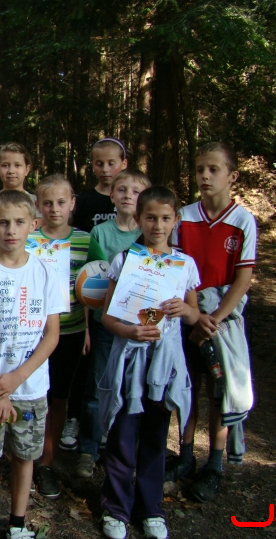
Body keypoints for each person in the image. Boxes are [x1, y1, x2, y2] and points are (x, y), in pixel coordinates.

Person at [0, 190, 66, 539]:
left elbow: (52, 335)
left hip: (30, 389)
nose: (11, 230)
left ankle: (17, 524)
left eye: (20, 222)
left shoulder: (46, 273)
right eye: (3, 223)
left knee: (25, 456)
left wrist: (17, 378)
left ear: (34, 224)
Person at [98, 186, 201, 539]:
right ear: (139, 219)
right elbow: (107, 317)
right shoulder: (125, 260)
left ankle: (151, 508)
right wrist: (129, 331)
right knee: (123, 435)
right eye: (151, 218)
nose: (158, 225)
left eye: (165, 218)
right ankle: (116, 507)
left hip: (163, 366)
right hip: (129, 363)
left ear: (176, 220)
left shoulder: (184, 264)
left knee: (156, 436)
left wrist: (184, 309)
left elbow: (194, 315)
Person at [169, 143, 257, 503]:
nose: (204, 176)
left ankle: (215, 465)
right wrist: (195, 316)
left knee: (220, 392)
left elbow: (243, 278)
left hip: (221, 321)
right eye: (199, 169)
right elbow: (177, 268)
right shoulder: (184, 216)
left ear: (232, 176)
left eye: (213, 169)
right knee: (187, 387)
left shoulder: (243, 220)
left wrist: (215, 319)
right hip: (189, 316)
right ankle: (185, 455)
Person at [75, 169, 151, 479]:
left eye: (136, 191)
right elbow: (90, 282)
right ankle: (88, 449)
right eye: (122, 190)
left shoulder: (150, 233)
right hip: (105, 324)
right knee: (97, 386)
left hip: (140, 327)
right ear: (111, 195)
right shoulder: (100, 233)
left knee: (135, 388)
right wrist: (87, 327)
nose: (128, 195)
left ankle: (122, 449)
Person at [63, 138, 129, 453]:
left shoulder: (133, 200)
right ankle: (75, 418)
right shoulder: (87, 201)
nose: (105, 169)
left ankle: (114, 428)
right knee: (85, 365)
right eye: (99, 163)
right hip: (89, 293)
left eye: (111, 163)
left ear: (123, 164)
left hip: (125, 303)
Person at [28, 175, 91, 499]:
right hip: (33, 333)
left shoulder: (85, 240)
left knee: (59, 398)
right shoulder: (29, 240)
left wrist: (88, 328)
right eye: (48, 203)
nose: (55, 209)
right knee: (32, 395)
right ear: (38, 206)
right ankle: (26, 456)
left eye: (61, 202)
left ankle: (47, 463)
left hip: (71, 330)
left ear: (72, 204)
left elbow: (93, 289)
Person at [0, 142, 40, 257]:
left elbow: (39, 237)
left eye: (17, 165)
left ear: (27, 169)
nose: (11, 171)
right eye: (5, 165)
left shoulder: (37, 202)